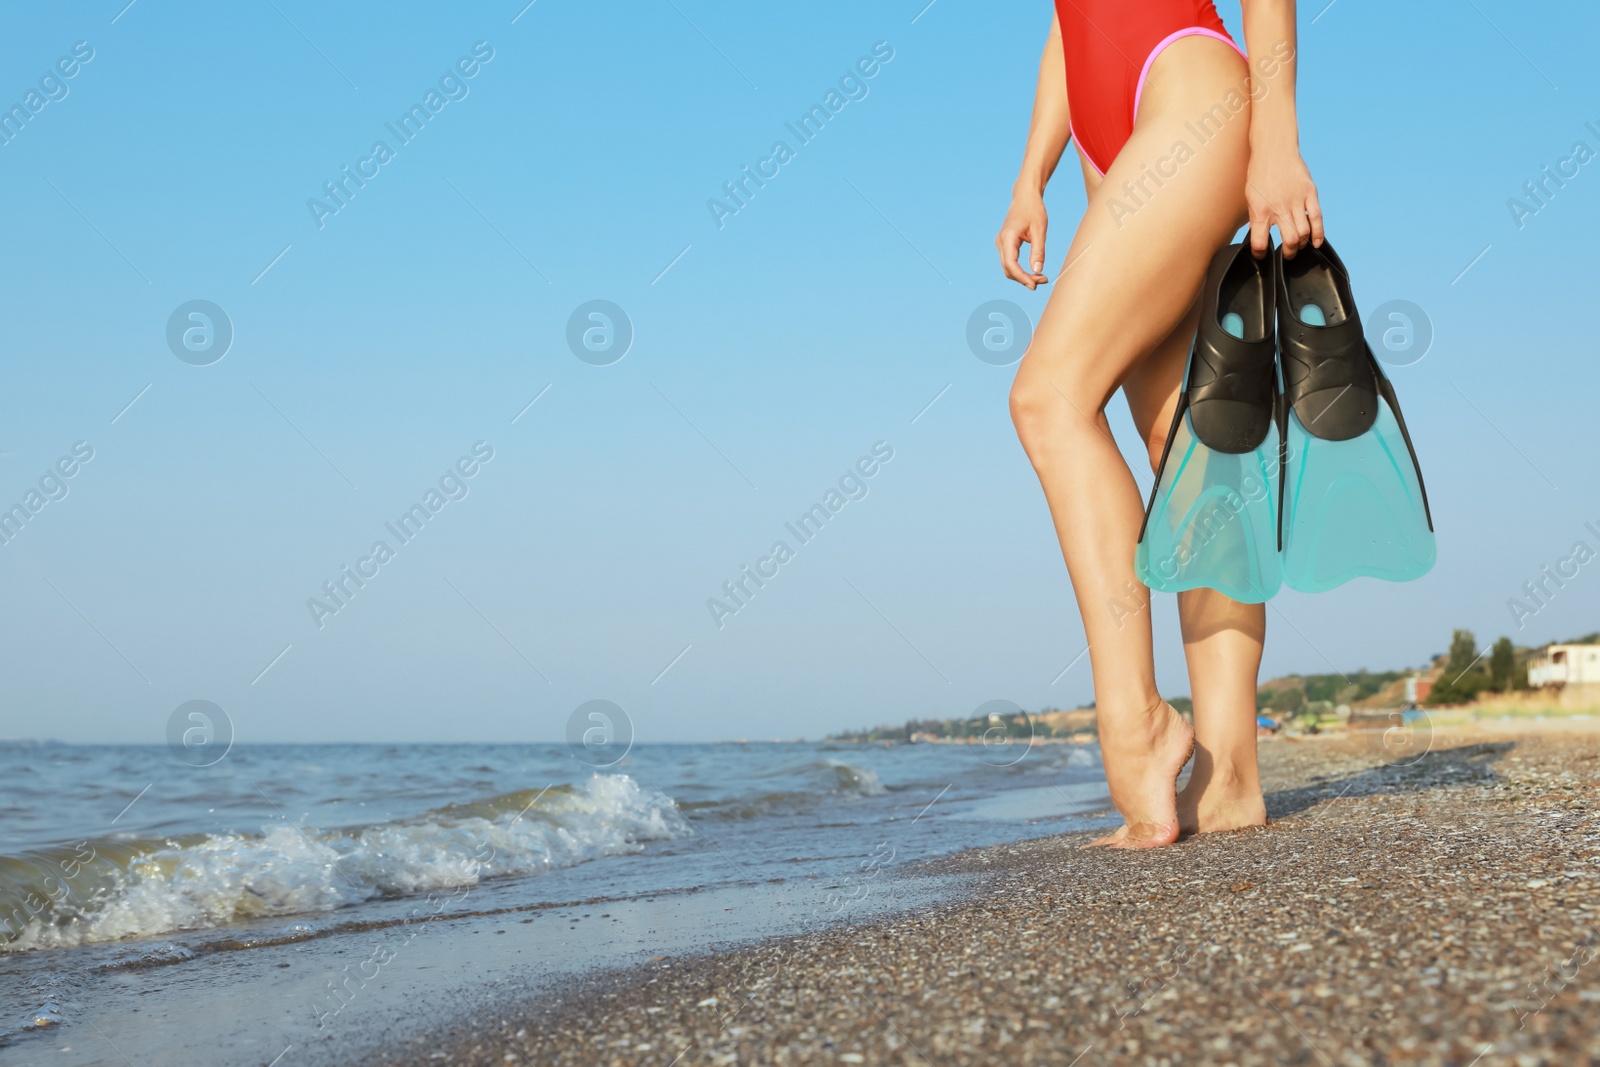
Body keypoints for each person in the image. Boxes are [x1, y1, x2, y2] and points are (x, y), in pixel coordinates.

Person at [996, 0, 1321, 848]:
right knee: (1187, 447)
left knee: (1047, 399)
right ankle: (1230, 779)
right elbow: (1070, 23)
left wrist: (1276, 139)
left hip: (1188, 84)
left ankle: (1134, 724)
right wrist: (1035, 170)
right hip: (1116, 130)